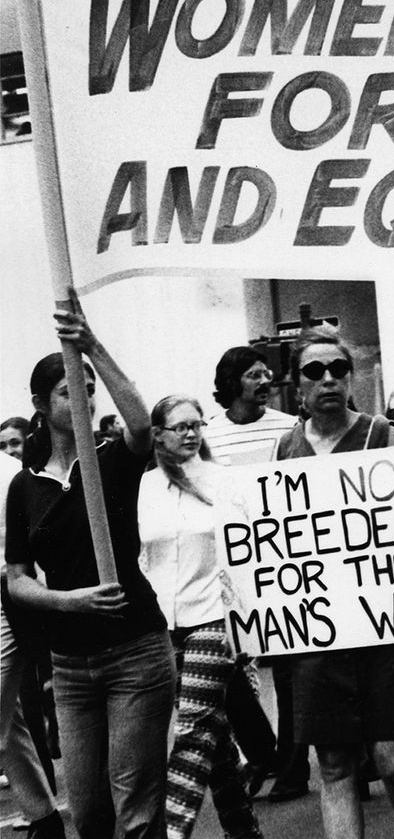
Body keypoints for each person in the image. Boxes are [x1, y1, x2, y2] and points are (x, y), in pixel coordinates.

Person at [4, 300, 176, 839]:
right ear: (39, 404)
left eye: (88, 385)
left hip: (135, 654)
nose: (82, 395)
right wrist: (66, 602)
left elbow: (143, 425)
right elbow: (15, 576)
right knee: (90, 813)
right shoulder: (24, 486)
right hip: (71, 667)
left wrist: (91, 344)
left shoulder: (110, 460)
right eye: (66, 389)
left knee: (137, 811)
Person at [276, 327, 394, 839]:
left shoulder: (380, 435)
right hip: (321, 634)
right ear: (296, 384)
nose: (328, 379)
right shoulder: (286, 447)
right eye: (314, 371)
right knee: (334, 766)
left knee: (393, 761)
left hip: (386, 630)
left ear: (351, 377)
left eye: (338, 369)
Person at [139, 395, 263, 839]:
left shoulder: (224, 480)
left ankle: (172, 832)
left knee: (190, 727)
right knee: (214, 733)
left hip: (214, 617)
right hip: (161, 625)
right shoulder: (144, 486)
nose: (191, 433)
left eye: (196, 425)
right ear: (157, 435)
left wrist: (246, 628)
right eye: (180, 427)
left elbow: (249, 552)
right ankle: (243, 830)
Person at [205, 346, 297, 801]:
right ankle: (262, 750)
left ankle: (293, 766)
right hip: (229, 561)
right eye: (253, 374)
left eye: (267, 374)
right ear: (232, 381)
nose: (264, 381)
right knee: (233, 661)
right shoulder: (209, 435)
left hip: (283, 556)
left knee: (288, 664)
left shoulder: (287, 427)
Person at [1, 449, 65, 839]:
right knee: (9, 723)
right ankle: (44, 819)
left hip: (8, 599)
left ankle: (46, 821)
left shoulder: (10, 475)